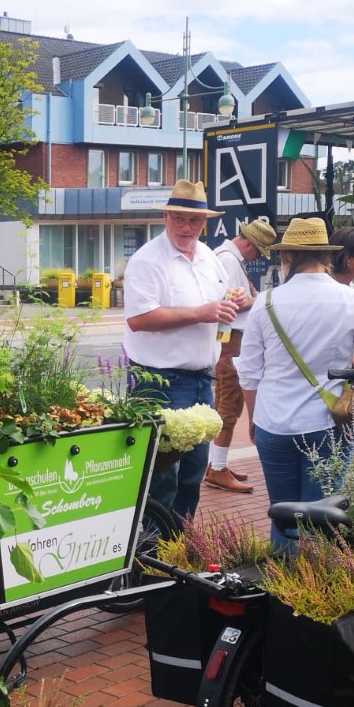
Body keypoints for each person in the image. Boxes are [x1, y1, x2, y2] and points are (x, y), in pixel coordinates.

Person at [235, 218, 354, 551]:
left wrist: (253, 417)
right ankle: (316, 581)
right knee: (322, 521)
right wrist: (346, 366)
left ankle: (280, 577)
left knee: (282, 513)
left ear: (287, 257)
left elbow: (249, 371)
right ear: (327, 256)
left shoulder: (265, 302)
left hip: (273, 421)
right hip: (328, 422)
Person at [122, 179, 244, 520]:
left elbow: (218, 304)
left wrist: (231, 302)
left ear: (204, 222)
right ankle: (152, 545)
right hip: (158, 381)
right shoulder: (148, 260)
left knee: (193, 472)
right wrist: (201, 312)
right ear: (165, 217)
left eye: (194, 220)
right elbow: (138, 319)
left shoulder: (208, 257)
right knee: (160, 477)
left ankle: (179, 541)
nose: (186, 227)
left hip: (201, 379)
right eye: (179, 218)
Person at [205, 216, 277, 494]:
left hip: (229, 339)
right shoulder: (229, 261)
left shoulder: (226, 258)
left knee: (226, 403)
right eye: (258, 252)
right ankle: (218, 469)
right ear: (247, 244)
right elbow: (231, 304)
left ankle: (217, 464)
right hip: (231, 340)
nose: (257, 257)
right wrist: (256, 300)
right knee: (229, 405)